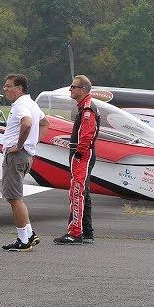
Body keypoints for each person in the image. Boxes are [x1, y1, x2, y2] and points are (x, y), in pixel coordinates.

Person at [1, 74, 50, 252]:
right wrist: (33, 143)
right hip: (26, 156)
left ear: (19, 88)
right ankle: (29, 234)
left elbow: (27, 124)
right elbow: (45, 123)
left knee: (14, 198)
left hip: (16, 156)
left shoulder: (20, 105)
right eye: (5, 86)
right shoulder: (32, 104)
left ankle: (23, 241)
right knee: (16, 198)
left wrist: (19, 145)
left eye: (8, 86)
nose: (5, 89)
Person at [54, 75, 100, 245]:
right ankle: (87, 232)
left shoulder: (87, 109)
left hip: (82, 155)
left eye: (73, 87)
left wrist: (79, 155)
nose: (70, 89)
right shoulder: (85, 107)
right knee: (83, 193)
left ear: (83, 90)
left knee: (76, 192)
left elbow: (87, 135)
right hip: (84, 154)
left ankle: (75, 233)